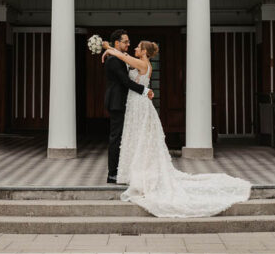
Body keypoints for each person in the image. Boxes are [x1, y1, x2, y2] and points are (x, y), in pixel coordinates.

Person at [102, 39, 251, 218]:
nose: (134, 48)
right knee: (137, 138)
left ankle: (140, 174)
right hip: (137, 104)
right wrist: (111, 49)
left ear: (143, 52)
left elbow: (122, 56)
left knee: (140, 139)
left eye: (137, 47)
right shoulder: (143, 62)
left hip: (139, 106)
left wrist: (107, 49)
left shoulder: (141, 63)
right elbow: (124, 56)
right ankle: (137, 172)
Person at [104, 29, 153, 184]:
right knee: (116, 137)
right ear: (117, 42)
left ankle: (126, 170)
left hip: (129, 102)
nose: (129, 44)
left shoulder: (121, 57)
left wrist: (108, 49)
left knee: (127, 137)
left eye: (131, 43)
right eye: (126, 41)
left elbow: (125, 57)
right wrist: (145, 90)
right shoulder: (113, 60)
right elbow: (125, 82)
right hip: (117, 102)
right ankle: (112, 173)